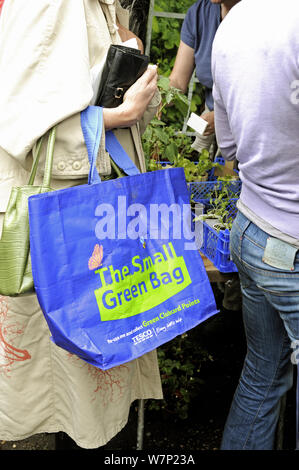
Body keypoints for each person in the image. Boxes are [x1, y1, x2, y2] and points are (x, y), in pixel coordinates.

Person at [0, 0, 163, 449]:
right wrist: (121, 114)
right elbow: (16, 119)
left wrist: (135, 76)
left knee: (92, 385)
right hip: (68, 228)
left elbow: (124, 117)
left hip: (94, 220)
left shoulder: (104, 5)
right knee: (78, 395)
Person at [212, 0, 299, 450]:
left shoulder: (229, 27)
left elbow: (228, 147)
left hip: (251, 227)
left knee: (264, 371)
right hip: (290, 241)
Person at [169, 0, 240, 158]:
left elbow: (271, 91)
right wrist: (157, 95)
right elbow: (178, 82)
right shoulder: (199, 13)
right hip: (213, 114)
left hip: (251, 122)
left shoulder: (263, 15)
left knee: (229, 174)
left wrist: (224, 117)